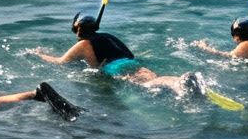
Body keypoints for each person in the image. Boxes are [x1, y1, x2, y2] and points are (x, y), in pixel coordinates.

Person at [34, 8, 207, 97]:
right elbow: (129, 53)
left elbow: (60, 62)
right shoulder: (107, 36)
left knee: (145, 84)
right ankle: (178, 81)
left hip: (114, 68)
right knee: (152, 78)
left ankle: (180, 87)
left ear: (76, 29)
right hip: (131, 62)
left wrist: (39, 54)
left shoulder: (83, 44)